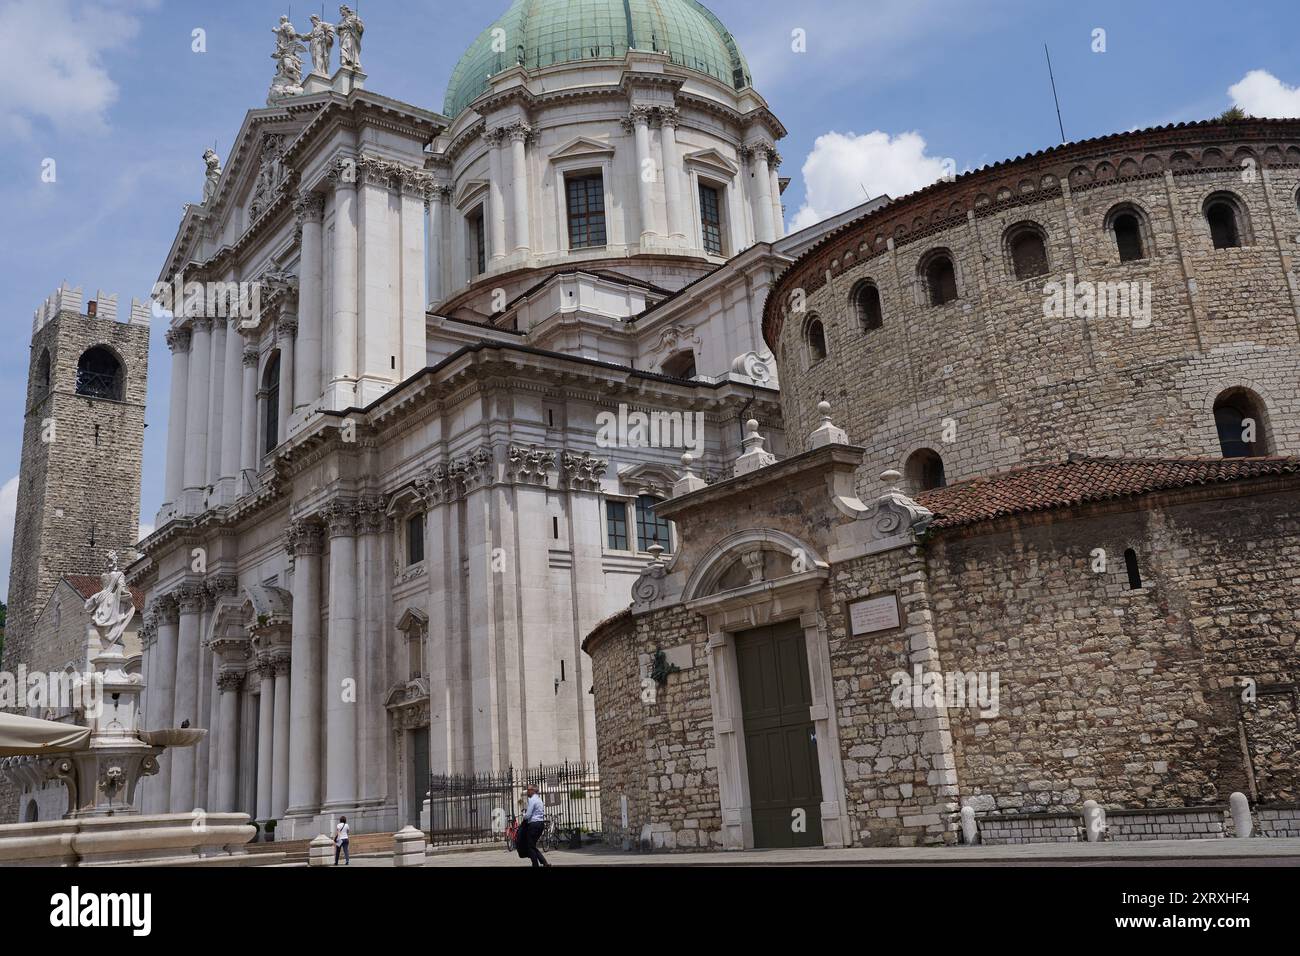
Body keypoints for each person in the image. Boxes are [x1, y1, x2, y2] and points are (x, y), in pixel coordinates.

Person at [517, 785, 550, 868]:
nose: (527, 791)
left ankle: (535, 864)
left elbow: (528, 815)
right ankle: (544, 862)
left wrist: (523, 814)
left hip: (534, 825)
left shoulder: (532, 800)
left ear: (533, 790)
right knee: (532, 845)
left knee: (530, 846)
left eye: (528, 790)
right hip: (540, 824)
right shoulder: (539, 799)